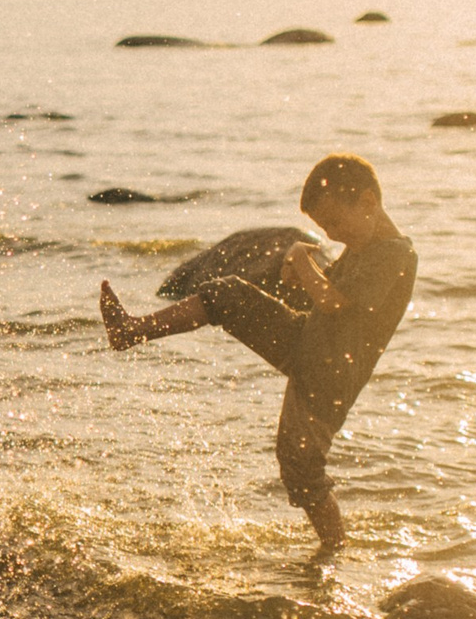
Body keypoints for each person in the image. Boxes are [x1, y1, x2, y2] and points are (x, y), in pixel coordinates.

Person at [98, 154, 415, 552]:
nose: (332, 235)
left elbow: (335, 303)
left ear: (368, 202)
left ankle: (334, 551)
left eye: (335, 223)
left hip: (330, 375)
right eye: (324, 228)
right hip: (306, 339)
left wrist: (301, 258)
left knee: (302, 471)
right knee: (227, 293)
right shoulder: (361, 244)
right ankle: (132, 331)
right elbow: (326, 298)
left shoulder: (395, 255)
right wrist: (301, 273)